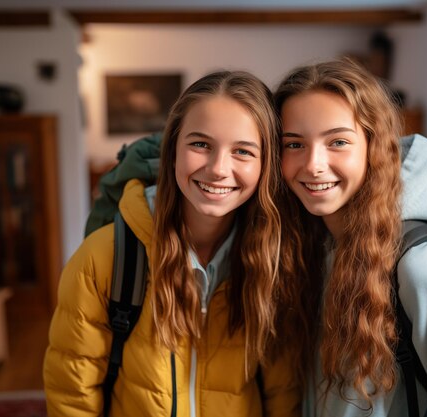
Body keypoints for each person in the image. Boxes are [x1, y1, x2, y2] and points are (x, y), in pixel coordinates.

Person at [273, 58, 427, 417]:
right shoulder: (312, 241)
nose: (313, 163)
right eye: (294, 144)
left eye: (338, 142)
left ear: (373, 147)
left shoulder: (424, 266)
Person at [43, 71, 300, 417]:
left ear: (265, 164)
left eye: (243, 151)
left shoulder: (274, 259)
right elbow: (73, 396)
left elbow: (282, 392)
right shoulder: (105, 257)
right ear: (173, 150)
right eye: (200, 144)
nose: (218, 168)